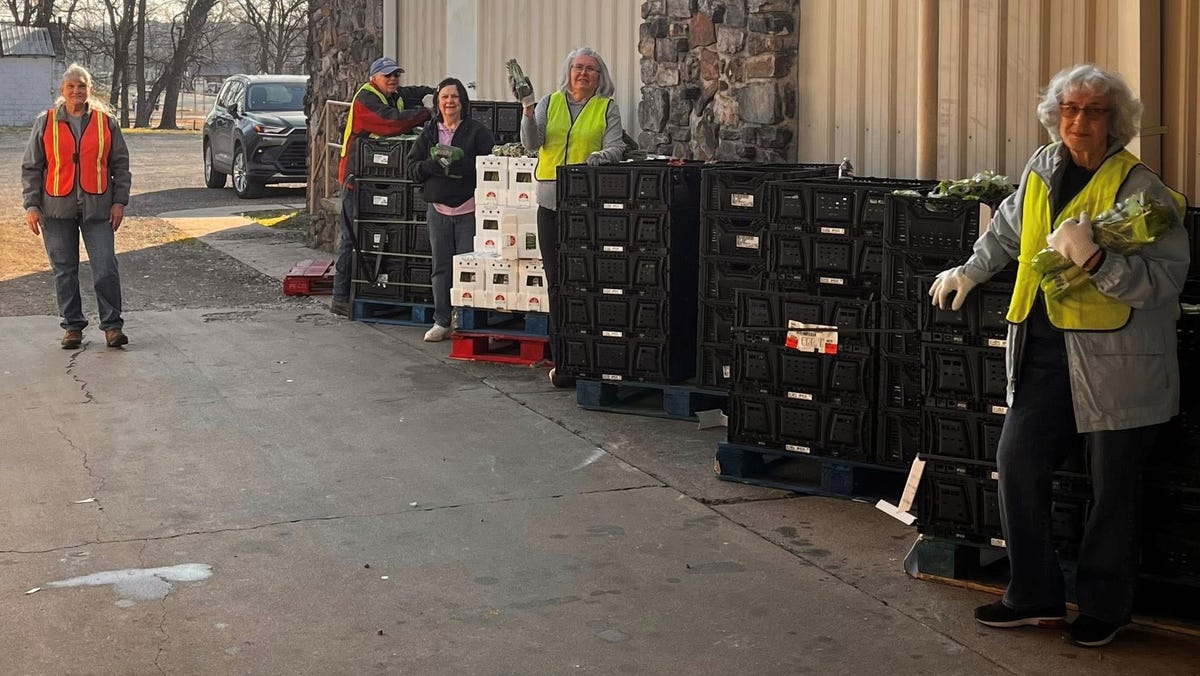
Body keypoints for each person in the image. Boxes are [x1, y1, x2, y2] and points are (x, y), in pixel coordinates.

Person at [929, 64, 1189, 648]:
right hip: (1045, 354)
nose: (1079, 121)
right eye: (1070, 109)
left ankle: (1104, 608)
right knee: (1017, 465)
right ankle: (1035, 595)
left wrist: (1097, 261)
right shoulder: (1042, 168)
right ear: (1056, 115)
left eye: (1094, 111)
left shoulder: (1141, 188)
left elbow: (1167, 280)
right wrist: (969, 270)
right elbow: (1006, 228)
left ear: (1114, 121)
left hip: (1118, 363)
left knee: (1112, 490)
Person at [520, 46, 625, 387]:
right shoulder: (549, 104)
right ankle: (563, 359)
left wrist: (602, 155)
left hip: (586, 206)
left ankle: (590, 354)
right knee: (557, 282)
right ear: (568, 72)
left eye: (591, 69)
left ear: (600, 77)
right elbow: (532, 144)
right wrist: (526, 108)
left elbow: (617, 146)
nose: (583, 74)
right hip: (550, 204)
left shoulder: (605, 107)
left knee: (587, 280)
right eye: (577, 67)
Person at [22, 63, 133, 350]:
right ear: (62, 90)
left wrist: (119, 201)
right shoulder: (45, 122)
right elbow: (32, 167)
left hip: (99, 208)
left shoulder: (106, 123)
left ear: (89, 89)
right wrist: (32, 205)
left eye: (81, 85)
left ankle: (112, 326)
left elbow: (120, 165)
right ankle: (72, 327)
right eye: (71, 86)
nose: (76, 91)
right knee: (64, 269)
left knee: (105, 266)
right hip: (56, 209)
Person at [330, 57, 432, 317]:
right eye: (387, 75)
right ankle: (341, 296)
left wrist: (435, 92)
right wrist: (426, 112)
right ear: (373, 78)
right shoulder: (367, 99)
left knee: (379, 237)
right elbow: (391, 122)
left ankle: (379, 290)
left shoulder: (393, 94)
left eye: (396, 74)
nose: (393, 79)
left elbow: (411, 94)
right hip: (357, 178)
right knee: (353, 238)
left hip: (376, 177)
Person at [406, 77, 495, 341]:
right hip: (439, 212)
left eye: (454, 97)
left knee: (472, 267)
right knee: (441, 268)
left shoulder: (477, 131)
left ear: (462, 101)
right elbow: (412, 168)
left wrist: (460, 164)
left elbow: (490, 166)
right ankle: (442, 320)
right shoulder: (429, 132)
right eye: (444, 97)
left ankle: (470, 319)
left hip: (469, 209)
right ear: (437, 103)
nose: (449, 102)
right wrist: (433, 166)